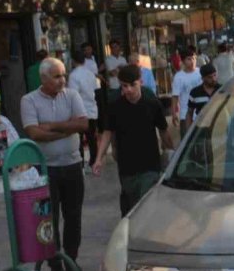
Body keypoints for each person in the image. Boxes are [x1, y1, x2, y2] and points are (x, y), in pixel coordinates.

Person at [21, 58, 88, 271]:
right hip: (45, 170)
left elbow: (82, 125)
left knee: (74, 215)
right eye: (57, 76)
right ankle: (55, 263)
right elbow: (34, 133)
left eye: (63, 75)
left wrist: (50, 125)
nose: (62, 80)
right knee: (49, 218)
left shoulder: (72, 96)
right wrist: (64, 130)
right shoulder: (29, 100)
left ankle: (72, 258)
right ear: (44, 79)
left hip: (72, 165)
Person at [93, 65, 172, 216]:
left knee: (146, 206)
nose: (128, 90)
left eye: (132, 85)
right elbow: (108, 132)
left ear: (140, 82)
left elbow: (164, 131)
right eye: (124, 86)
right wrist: (99, 158)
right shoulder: (115, 106)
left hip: (150, 165)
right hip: (127, 167)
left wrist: (171, 152)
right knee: (130, 208)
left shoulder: (152, 103)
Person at [68, 50, 99, 167]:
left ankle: (80, 162)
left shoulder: (73, 75)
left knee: (78, 139)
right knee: (92, 138)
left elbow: (73, 94)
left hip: (79, 111)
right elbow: (96, 88)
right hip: (91, 108)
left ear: (73, 61)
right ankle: (94, 160)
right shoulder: (90, 73)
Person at [171, 47, 202, 139]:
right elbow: (175, 97)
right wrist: (174, 113)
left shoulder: (201, 72)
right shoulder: (179, 77)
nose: (192, 61)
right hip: (185, 115)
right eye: (189, 59)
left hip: (202, 113)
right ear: (183, 61)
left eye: (194, 58)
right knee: (187, 141)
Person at [185, 63, 220, 129]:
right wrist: (188, 131)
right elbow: (189, 113)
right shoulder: (195, 92)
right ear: (203, 78)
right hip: (201, 128)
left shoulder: (222, 90)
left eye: (215, 75)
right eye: (210, 77)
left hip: (220, 127)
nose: (213, 79)